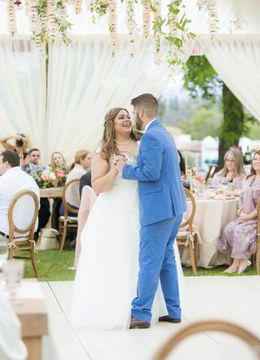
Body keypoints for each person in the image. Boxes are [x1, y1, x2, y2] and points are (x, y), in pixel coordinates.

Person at [70, 106, 184, 329]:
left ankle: (152, 308)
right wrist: (114, 171)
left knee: (149, 258)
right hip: (114, 209)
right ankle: (123, 308)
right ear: (111, 123)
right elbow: (98, 188)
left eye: (128, 116)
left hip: (145, 206)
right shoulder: (103, 151)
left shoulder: (144, 142)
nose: (126, 120)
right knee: (120, 255)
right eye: (121, 117)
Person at [118, 93, 187, 329]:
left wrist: (125, 170)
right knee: (166, 259)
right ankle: (174, 310)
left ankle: (141, 314)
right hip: (173, 207)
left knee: (148, 261)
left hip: (159, 210)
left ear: (139, 112)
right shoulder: (164, 133)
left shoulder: (150, 138)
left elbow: (150, 173)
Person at [217, 150, 260, 274]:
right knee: (229, 228)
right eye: (255, 159)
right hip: (246, 217)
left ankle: (235, 264)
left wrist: (249, 216)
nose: (257, 161)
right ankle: (242, 260)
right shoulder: (249, 178)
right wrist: (240, 212)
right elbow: (241, 199)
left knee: (240, 230)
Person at [0, 150, 40, 242]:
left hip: (6, 231)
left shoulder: (3, 181)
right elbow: (38, 207)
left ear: (6, 164)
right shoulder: (31, 180)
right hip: (28, 231)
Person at [22, 148, 50, 239]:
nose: (36, 157)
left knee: (46, 212)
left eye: (38, 155)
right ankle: (29, 234)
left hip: (42, 195)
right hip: (28, 196)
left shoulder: (43, 169)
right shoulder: (23, 169)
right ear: (29, 157)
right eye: (34, 155)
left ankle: (36, 233)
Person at [49, 151, 68, 230]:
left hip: (67, 196)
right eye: (55, 158)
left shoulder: (68, 169)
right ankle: (55, 230)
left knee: (59, 202)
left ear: (63, 159)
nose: (57, 160)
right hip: (58, 196)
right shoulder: (52, 172)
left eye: (59, 157)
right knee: (56, 203)